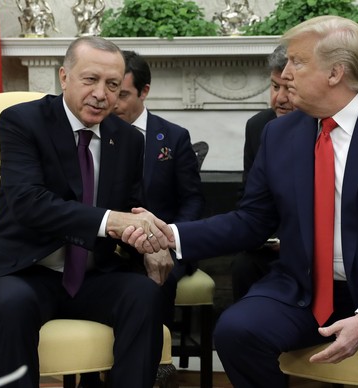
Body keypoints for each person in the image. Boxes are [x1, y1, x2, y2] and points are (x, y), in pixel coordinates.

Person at [122, 15, 358, 387]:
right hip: (305, 289)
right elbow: (252, 220)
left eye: (296, 62)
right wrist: (170, 234)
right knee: (236, 331)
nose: (285, 74)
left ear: (335, 73)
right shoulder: (279, 134)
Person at [0, 36, 173, 388]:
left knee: (144, 294)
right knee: (12, 303)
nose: (102, 94)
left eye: (113, 85)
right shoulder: (22, 122)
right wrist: (110, 220)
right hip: (23, 270)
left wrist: (150, 241)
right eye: (91, 80)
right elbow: (28, 202)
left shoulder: (128, 139)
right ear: (64, 77)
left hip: (92, 275)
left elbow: (131, 209)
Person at [78, 49, 204, 387]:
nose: (112, 101)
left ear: (144, 92)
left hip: (161, 244)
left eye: (123, 93)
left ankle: (151, 370)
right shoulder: (90, 134)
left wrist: (168, 238)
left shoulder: (172, 137)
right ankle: (91, 371)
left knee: (153, 283)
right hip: (108, 244)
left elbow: (192, 200)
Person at [231, 44, 294, 301]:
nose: (279, 98)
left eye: (288, 88)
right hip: (269, 243)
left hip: (321, 248)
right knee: (243, 266)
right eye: (275, 86)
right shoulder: (259, 126)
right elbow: (249, 194)